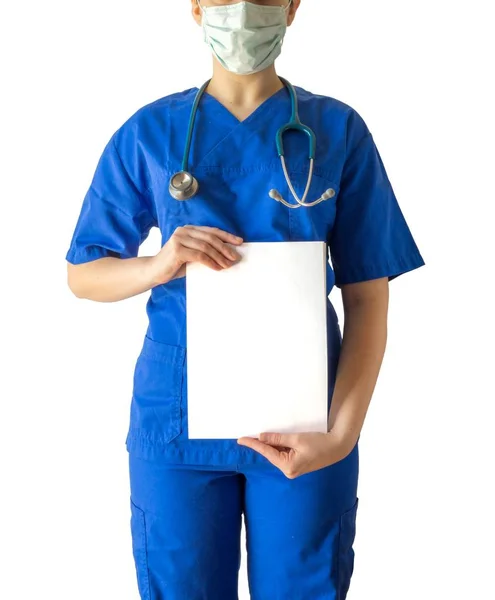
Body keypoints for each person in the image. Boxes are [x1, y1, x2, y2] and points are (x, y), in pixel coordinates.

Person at [66, 0, 425, 598]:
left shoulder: (336, 131)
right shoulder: (151, 132)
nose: (241, 12)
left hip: (309, 422)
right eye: (223, 0)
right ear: (197, 8)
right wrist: (159, 263)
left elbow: (368, 298)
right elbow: (84, 273)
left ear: (290, 8)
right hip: (175, 422)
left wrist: (342, 433)